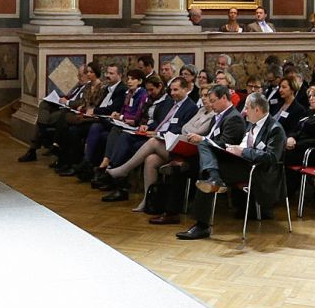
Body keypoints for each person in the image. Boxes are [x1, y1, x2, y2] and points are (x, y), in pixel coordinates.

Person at [98, 75, 200, 203]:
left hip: (170, 144)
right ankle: (147, 200)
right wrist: (149, 128)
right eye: (172, 90)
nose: (172, 93)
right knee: (140, 150)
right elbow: (161, 122)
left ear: (185, 90)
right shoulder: (174, 104)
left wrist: (158, 134)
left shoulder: (190, 107)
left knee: (145, 143)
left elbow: (180, 130)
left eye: (176, 90)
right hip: (158, 137)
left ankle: (122, 171)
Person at [173, 87, 253, 240]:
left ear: (224, 98)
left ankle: (202, 225)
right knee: (180, 164)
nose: (211, 104)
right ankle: (170, 211)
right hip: (213, 158)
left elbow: (226, 146)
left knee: (205, 175)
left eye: (213, 101)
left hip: (229, 162)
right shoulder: (218, 117)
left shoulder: (234, 118)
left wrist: (203, 140)